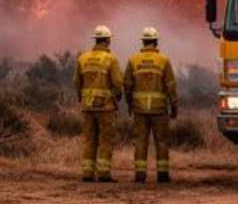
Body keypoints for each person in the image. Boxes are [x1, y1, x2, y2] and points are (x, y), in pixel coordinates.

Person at [123, 26, 178, 183]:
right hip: (159, 109)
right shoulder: (164, 61)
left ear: (143, 42)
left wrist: (129, 104)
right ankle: (163, 174)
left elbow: (127, 85)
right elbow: (171, 86)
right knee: (162, 141)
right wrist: (174, 107)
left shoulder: (133, 60)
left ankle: (140, 175)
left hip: (139, 109)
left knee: (140, 141)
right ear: (155, 42)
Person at [74, 24, 123, 182]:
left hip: (87, 106)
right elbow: (117, 83)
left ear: (95, 40)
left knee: (90, 139)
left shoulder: (83, 58)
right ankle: (103, 174)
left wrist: (82, 99)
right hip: (105, 107)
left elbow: (77, 83)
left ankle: (87, 174)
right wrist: (118, 98)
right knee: (105, 140)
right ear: (107, 40)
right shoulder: (111, 59)